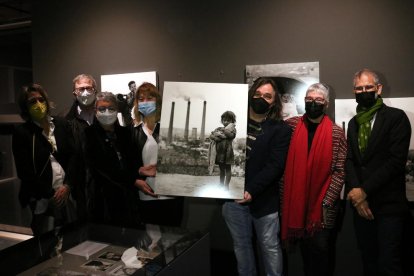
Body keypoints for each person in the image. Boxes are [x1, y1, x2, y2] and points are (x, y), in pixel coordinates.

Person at [222, 77, 291, 276]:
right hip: (232, 200)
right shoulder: (233, 125)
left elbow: (275, 166)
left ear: (274, 101)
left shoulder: (281, 129)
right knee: (241, 246)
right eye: (258, 94)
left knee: (270, 248)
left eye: (267, 96)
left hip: (264, 201)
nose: (261, 98)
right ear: (251, 95)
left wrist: (251, 190)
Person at [345, 69, 411, 276]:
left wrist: (363, 190)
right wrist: (358, 196)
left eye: (368, 87)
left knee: (389, 263)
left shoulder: (396, 118)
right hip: (361, 207)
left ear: (378, 89)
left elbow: (395, 162)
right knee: (368, 260)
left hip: (388, 207)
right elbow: (350, 160)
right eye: (359, 88)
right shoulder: (354, 124)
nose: (363, 91)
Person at [281, 83, 347, 276]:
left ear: (326, 103)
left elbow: (340, 171)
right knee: (304, 256)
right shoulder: (291, 126)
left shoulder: (336, 133)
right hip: (296, 203)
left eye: (318, 100)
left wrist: (325, 201)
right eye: (309, 99)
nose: (313, 103)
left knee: (321, 254)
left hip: (322, 209)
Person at [12, 84, 75, 235]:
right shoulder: (22, 132)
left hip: (67, 194)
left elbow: (73, 156)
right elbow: (24, 171)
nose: (38, 104)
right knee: (46, 244)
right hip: (43, 198)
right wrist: (50, 194)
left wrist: (67, 186)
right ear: (25, 107)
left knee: (72, 238)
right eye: (32, 102)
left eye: (41, 99)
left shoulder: (61, 124)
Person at [131, 82, 184, 227]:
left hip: (171, 194)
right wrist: (136, 177)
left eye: (149, 98)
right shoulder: (133, 131)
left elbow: (181, 158)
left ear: (158, 101)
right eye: (141, 99)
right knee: (151, 244)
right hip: (145, 194)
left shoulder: (170, 128)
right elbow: (129, 163)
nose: (145, 102)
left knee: (172, 240)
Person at [84, 92, 138, 226]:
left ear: (117, 110)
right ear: (95, 111)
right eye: (102, 109)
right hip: (104, 199)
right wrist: (131, 180)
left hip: (129, 198)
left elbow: (132, 162)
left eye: (111, 108)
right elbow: (100, 168)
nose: (107, 112)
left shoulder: (125, 133)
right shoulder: (88, 134)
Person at [65, 74, 97, 222]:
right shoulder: (67, 121)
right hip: (81, 184)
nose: (85, 92)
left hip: (105, 181)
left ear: (95, 90)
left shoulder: (106, 113)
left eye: (88, 88)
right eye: (81, 89)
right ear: (74, 93)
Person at [209, 111, 237, 188]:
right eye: (224, 120)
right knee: (221, 169)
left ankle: (226, 185)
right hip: (220, 153)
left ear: (232, 121)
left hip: (228, 153)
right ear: (222, 121)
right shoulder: (219, 129)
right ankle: (221, 184)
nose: (226, 122)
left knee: (228, 169)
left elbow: (231, 136)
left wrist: (224, 130)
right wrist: (215, 137)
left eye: (228, 120)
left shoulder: (232, 129)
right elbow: (211, 135)